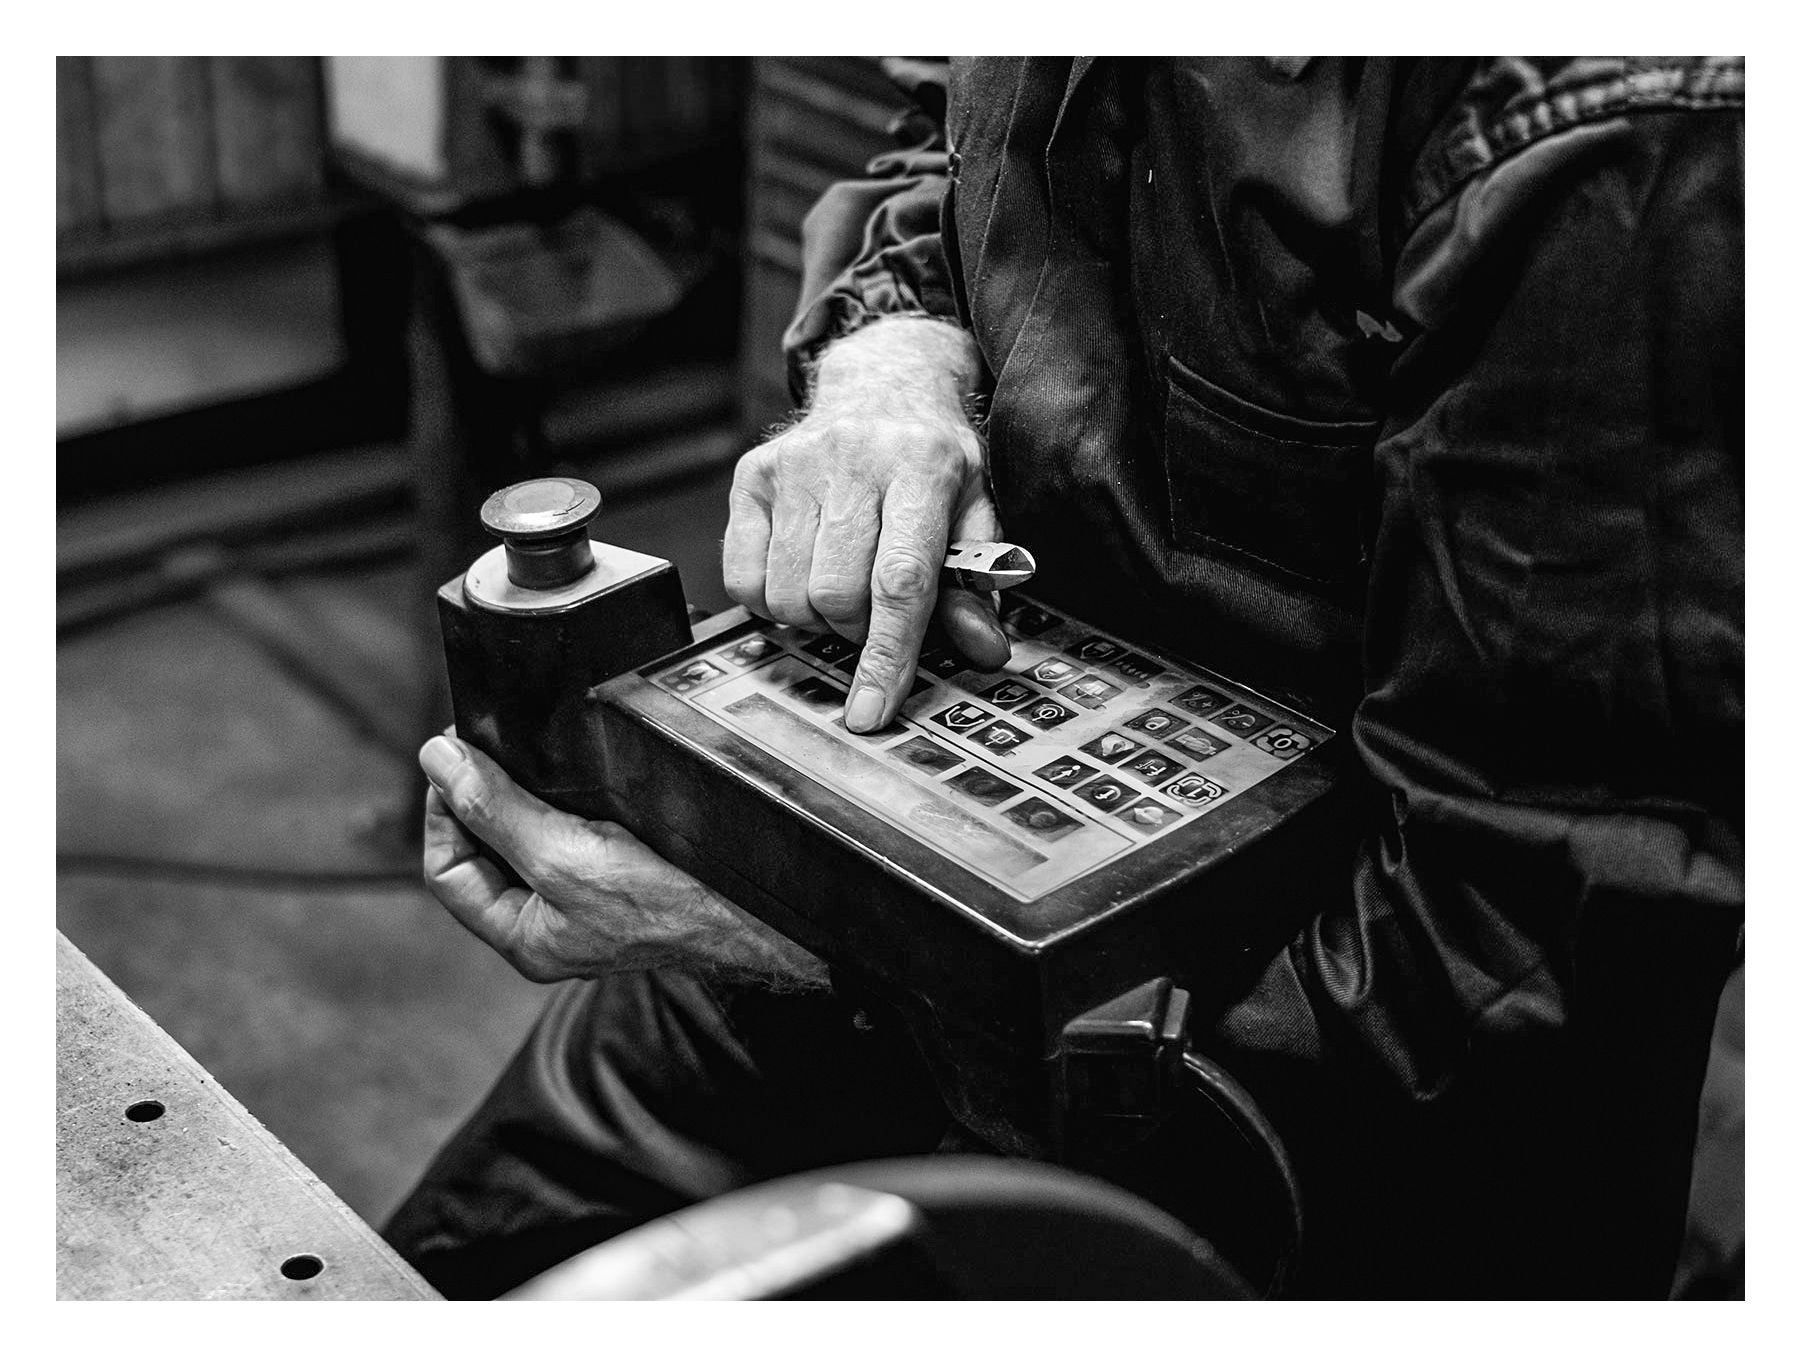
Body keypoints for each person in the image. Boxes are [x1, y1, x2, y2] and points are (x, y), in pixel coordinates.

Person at [385, 57, 1744, 1298]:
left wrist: (822, 948)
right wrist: (891, 355)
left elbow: (1493, 987)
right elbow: (939, 129)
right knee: (457, 1268)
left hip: (1263, 1085)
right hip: (902, 868)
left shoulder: (1611, 135)